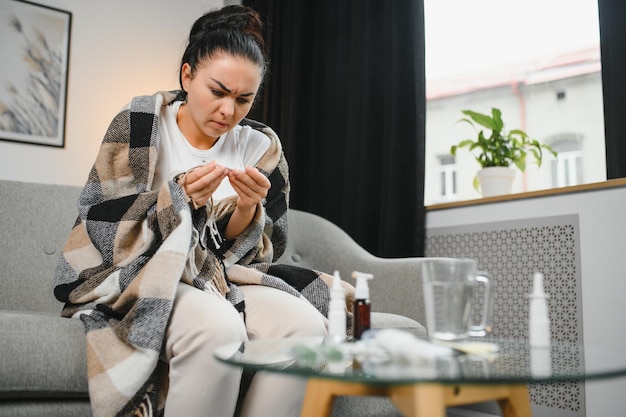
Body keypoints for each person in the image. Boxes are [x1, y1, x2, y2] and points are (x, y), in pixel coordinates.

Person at [53, 5, 350, 417]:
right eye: (218, 91)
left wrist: (248, 207)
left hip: (222, 278)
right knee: (217, 327)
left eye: (244, 99)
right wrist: (177, 200)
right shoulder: (142, 121)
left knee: (308, 331)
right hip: (144, 272)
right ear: (187, 75)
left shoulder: (262, 147)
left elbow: (259, 255)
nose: (228, 111)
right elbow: (102, 223)